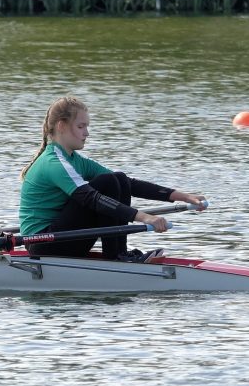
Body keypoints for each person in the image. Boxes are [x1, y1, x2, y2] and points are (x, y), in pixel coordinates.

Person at [19, 96, 206, 262]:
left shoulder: (75, 160)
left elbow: (129, 184)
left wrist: (184, 197)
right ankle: (116, 256)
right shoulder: (53, 163)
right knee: (107, 183)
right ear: (61, 125)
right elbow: (91, 198)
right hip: (42, 244)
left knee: (118, 178)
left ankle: (118, 253)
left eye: (87, 126)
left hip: (60, 238)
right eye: (81, 126)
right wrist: (145, 217)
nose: (87, 133)